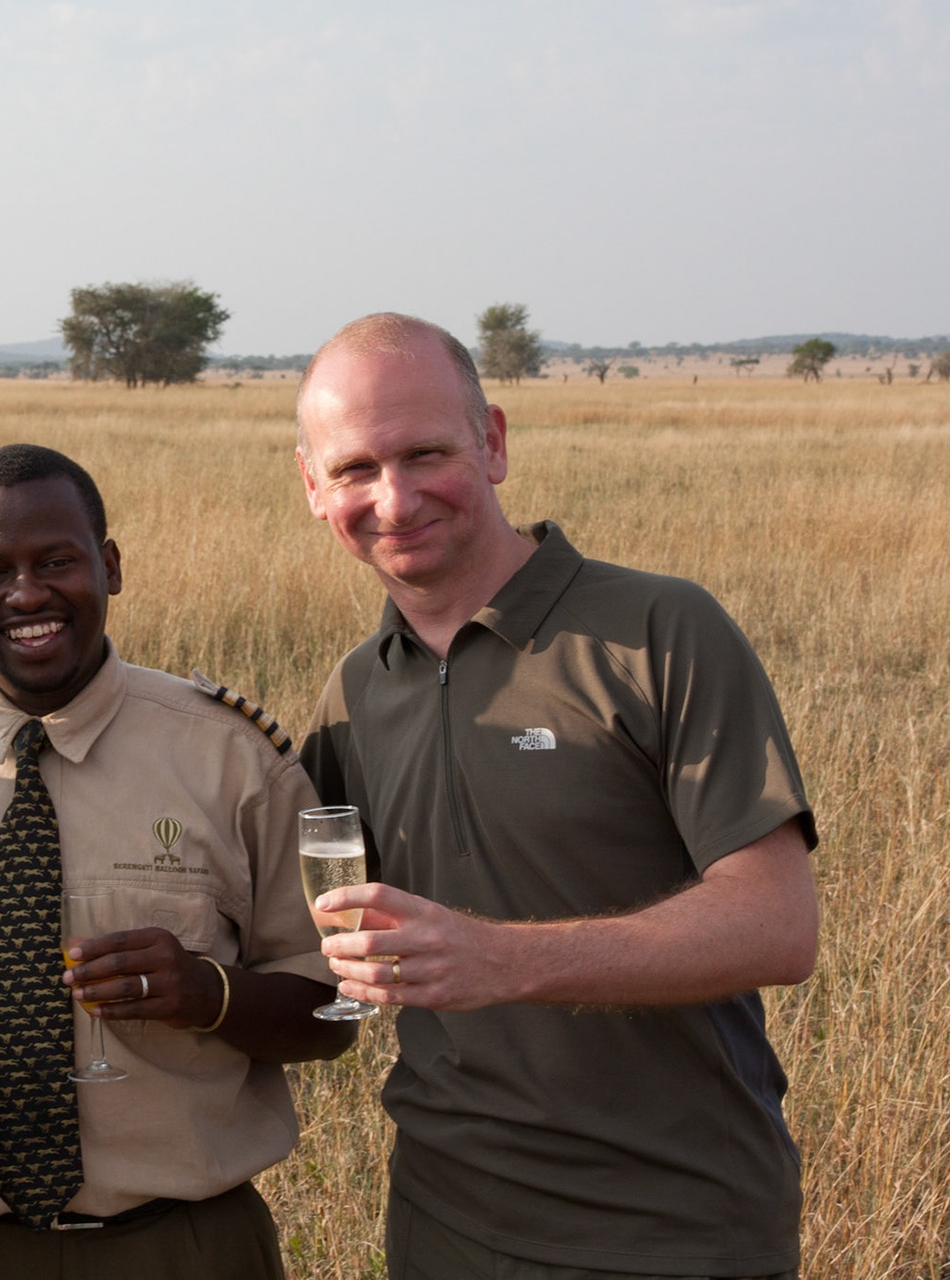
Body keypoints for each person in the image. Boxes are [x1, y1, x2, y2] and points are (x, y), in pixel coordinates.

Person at [293, 314, 819, 1278]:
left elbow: (778, 926)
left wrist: (503, 959)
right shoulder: (355, 692)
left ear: (493, 443)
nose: (395, 499)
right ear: (313, 487)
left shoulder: (660, 631)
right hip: (443, 1221)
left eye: (426, 453)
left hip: (674, 1225)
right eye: (356, 469)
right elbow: (302, 943)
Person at [0, 444, 354, 1279]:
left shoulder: (234, 761)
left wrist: (209, 994)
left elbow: (334, 1010)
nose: (27, 594)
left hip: (184, 1245)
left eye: (57, 561)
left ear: (111, 567)